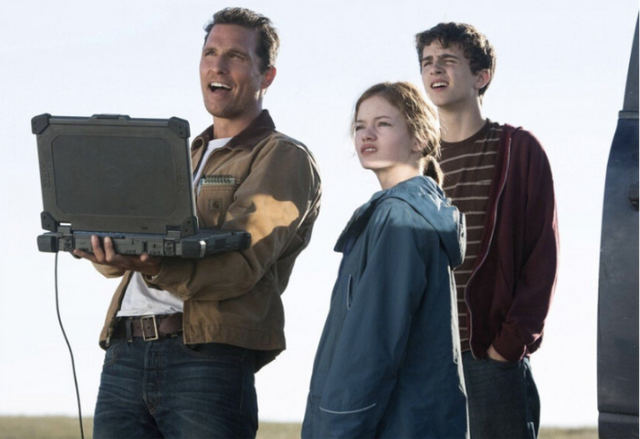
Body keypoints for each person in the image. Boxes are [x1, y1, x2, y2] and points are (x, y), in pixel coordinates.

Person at [74, 7, 322, 439]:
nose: (217, 66)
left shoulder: (282, 157)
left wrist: (156, 265)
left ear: (267, 76)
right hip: (124, 354)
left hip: (205, 360)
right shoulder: (178, 155)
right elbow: (128, 253)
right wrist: (103, 247)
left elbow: (242, 263)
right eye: (210, 53)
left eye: (236, 56)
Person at [415, 22, 559, 439]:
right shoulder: (416, 162)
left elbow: (542, 257)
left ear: (481, 76)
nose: (434, 69)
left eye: (447, 60)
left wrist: (508, 346)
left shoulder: (518, 149)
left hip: (489, 357)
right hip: (424, 360)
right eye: (427, 62)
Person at [302, 81, 468, 439]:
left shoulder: (399, 218)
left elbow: (373, 342)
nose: (367, 134)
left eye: (383, 123)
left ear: (419, 139)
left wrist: (337, 427)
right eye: (360, 125)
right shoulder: (404, 213)